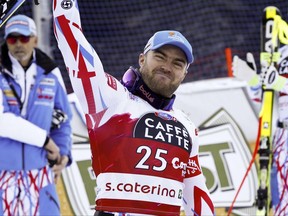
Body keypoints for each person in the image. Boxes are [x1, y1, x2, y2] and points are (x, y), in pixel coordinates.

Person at [52, 1, 214, 215]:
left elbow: (196, 194)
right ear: (142, 59)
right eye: (160, 56)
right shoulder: (111, 98)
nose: (167, 66)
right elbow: (72, 39)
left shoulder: (187, 125)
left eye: (177, 63)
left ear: (184, 73)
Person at [0, 14, 73, 215]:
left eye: (24, 38)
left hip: (40, 173)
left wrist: (64, 154)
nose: (18, 45)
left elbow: (64, 118)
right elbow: (2, 120)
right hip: (3, 173)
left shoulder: (50, 73)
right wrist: (46, 141)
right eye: (12, 39)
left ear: (35, 39)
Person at [233, 46, 288, 215]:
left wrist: (280, 83)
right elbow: (269, 99)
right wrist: (254, 82)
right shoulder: (283, 51)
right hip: (282, 136)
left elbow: (279, 84)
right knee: (281, 204)